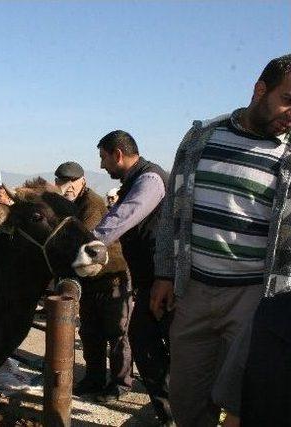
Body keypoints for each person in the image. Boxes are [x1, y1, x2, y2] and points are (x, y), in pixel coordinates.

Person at [151, 54, 291, 427]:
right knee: (186, 397)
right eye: (288, 100)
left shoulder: (288, 154)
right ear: (260, 90)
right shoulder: (202, 138)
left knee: (247, 400)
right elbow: (173, 213)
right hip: (193, 291)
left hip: (253, 299)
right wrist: (164, 273)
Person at [93, 131, 172, 425]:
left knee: (161, 347)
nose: (101, 166)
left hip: (164, 283)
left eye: (103, 157)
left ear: (118, 154)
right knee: (145, 344)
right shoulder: (136, 181)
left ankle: (178, 412)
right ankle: (168, 412)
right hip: (149, 282)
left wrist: (90, 243)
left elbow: (124, 216)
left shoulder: (149, 180)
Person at [54, 161, 134, 402]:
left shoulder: (92, 204)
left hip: (112, 277)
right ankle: (94, 378)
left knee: (117, 334)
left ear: (83, 181)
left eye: (72, 182)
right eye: (62, 182)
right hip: (88, 280)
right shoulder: (66, 205)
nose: (67, 187)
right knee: (90, 333)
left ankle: (120, 384)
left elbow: (82, 243)